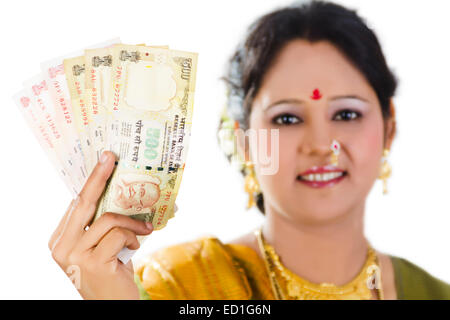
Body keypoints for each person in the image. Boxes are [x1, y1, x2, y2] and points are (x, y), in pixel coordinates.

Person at [49, 0, 450, 300]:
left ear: (389, 127)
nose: (318, 146)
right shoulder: (179, 286)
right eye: (287, 119)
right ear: (245, 141)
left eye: (346, 114)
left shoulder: (433, 294)